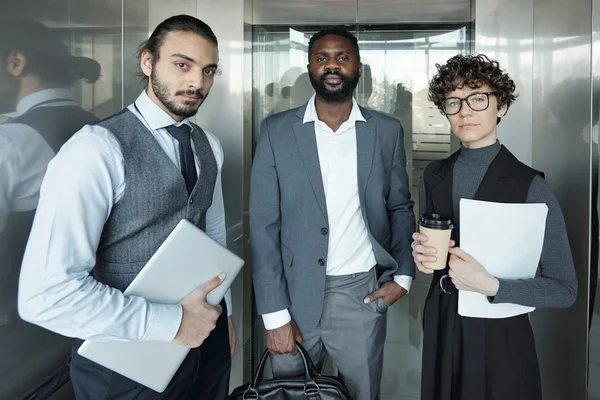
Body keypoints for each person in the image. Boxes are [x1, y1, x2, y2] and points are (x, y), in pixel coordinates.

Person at [18, 15, 235, 399]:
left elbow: (213, 239)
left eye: (208, 71)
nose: (197, 83)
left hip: (205, 344)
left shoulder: (209, 145)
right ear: (147, 62)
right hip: (123, 364)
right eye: (182, 65)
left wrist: (226, 318)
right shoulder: (95, 150)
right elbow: (45, 296)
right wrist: (172, 322)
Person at [250, 26, 415, 400]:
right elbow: (263, 226)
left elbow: (400, 206)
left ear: (358, 67)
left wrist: (403, 276)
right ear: (310, 67)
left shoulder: (386, 131)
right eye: (322, 58)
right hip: (293, 296)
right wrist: (274, 315)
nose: (332, 65)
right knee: (291, 393)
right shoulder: (276, 131)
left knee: (363, 393)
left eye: (342, 57)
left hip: (360, 293)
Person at [412, 54, 578, 400]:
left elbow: (564, 289)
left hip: (499, 333)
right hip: (443, 323)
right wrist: (422, 256)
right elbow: (435, 258)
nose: (465, 111)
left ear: (500, 106)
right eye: (453, 102)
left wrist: (491, 285)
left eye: (477, 98)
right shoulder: (434, 175)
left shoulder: (531, 186)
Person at [0, 19, 100, 398]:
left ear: (16, 62)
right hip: (89, 338)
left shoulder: (11, 143)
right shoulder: (105, 129)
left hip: (21, 348)